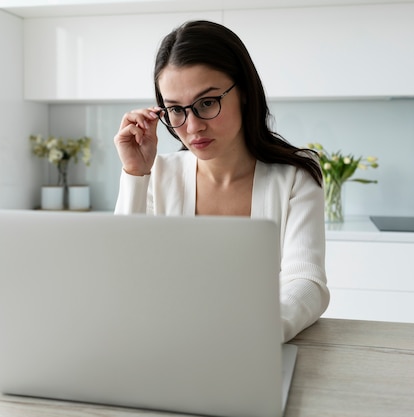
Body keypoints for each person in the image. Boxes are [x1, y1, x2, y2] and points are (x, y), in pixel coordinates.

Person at [113, 20, 329, 342]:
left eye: (207, 103)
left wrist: (262, 330)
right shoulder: (158, 175)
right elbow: (120, 278)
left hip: (255, 347)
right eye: (176, 109)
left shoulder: (295, 178)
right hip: (165, 347)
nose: (193, 126)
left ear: (242, 92)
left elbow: (307, 282)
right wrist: (135, 175)